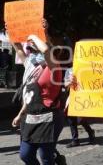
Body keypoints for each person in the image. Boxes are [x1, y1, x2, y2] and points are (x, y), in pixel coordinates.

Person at [9, 20, 64, 165]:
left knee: (46, 157)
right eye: (31, 49)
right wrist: (11, 28)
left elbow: (46, 51)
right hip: (30, 115)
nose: (32, 51)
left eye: (35, 48)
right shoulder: (30, 65)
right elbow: (17, 46)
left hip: (49, 117)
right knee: (25, 155)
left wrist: (34, 35)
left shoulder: (54, 68)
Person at [64, 67, 96, 148]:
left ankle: (90, 132)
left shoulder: (85, 68)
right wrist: (69, 82)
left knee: (81, 119)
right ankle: (75, 140)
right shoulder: (69, 70)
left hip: (82, 97)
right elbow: (65, 85)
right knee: (71, 119)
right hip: (72, 97)